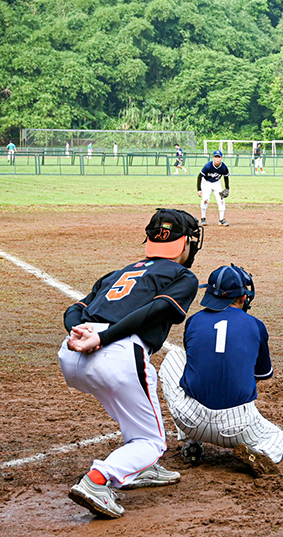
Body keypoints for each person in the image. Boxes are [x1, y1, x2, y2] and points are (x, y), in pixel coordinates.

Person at [58, 208, 204, 519]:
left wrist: (78, 332)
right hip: (116, 351)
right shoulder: (183, 276)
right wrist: (103, 338)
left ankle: (141, 469)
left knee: (131, 410)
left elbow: (75, 308)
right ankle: (98, 481)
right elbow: (151, 313)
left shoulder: (118, 273)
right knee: (152, 441)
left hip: (74, 352)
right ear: (186, 244)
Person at [159, 264, 283, 477]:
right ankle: (261, 452)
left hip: (190, 420)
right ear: (241, 298)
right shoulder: (255, 325)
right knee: (278, 437)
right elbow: (262, 375)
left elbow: (196, 366)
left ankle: (192, 441)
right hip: (238, 426)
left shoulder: (193, 321)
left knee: (175, 356)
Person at [198, 150, 230, 226]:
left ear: (221, 158)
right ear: (213, 158)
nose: (217, 159)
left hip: (216, 183)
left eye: (219, 157)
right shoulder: (208, 166)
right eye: (215, 157)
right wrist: (199, 189)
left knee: (221, 200)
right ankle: (203, 218)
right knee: (205, 199)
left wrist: (227, 188)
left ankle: (221, 220)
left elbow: (226, 177)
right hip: (206, 182)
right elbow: (199, 176)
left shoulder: (224, 167)